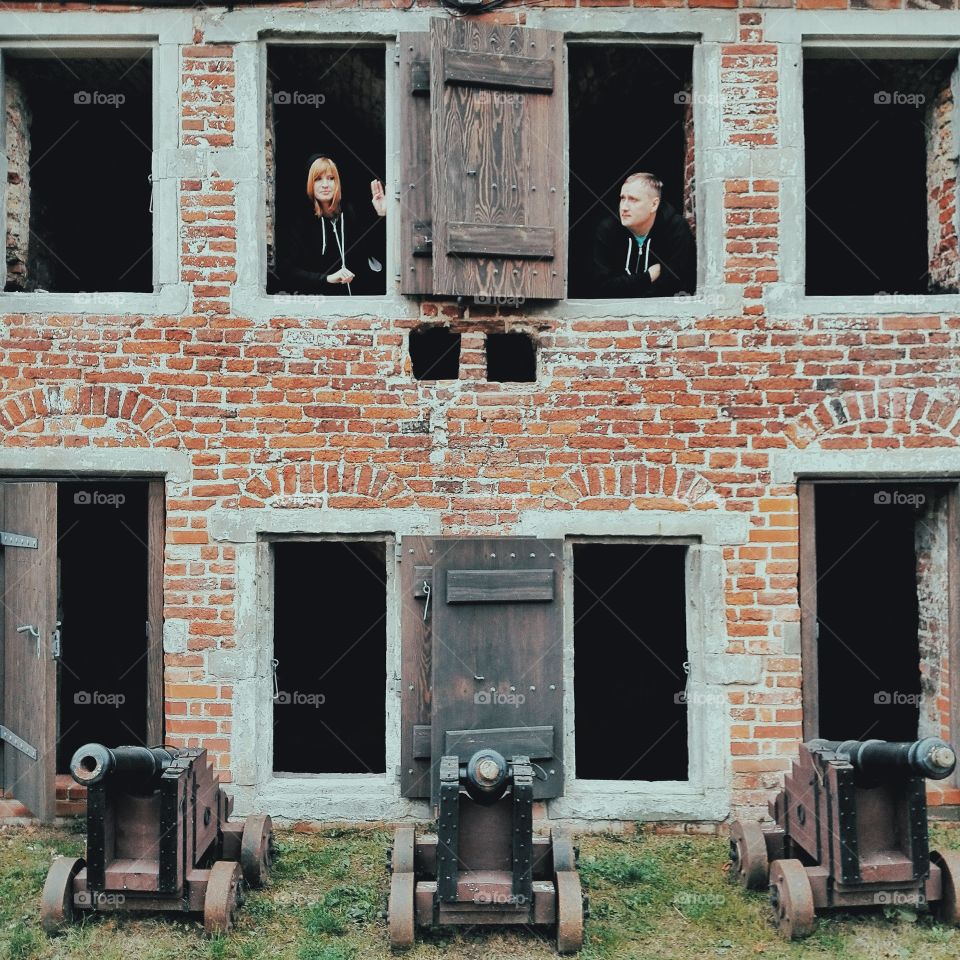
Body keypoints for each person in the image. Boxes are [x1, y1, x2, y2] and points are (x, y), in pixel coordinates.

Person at [289, 155, 386, 296]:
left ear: (338, 183)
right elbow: (289, 271)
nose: (325, 185)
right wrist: (327, 278)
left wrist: (382, 215)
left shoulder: (352, 214)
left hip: (360, 304)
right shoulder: (301, 221)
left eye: (331, 178)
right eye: (318, 179)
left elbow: (377, 252)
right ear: (309, 183)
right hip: (318, 306)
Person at [590, 172, 696, 298]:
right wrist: (648, 276)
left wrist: (626, 289)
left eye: (633, 199)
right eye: (622, 198)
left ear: (654, 205)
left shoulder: (675, 229)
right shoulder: (608, 229)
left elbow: (677, 285)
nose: (624, 207)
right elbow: (602, 287)